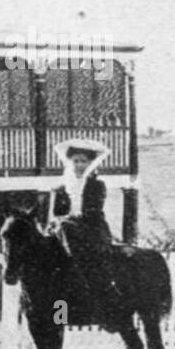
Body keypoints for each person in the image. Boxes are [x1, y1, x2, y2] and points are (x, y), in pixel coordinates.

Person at [49, 138, 119, 325]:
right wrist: (57, 221)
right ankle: (60, 316)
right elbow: (56, 213)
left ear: (90, 163)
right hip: (65, 232)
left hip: (91, 229)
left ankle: (106, 311)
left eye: (83, 161)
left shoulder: (97, 185)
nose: (79, 165)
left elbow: (94, 211)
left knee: (100, 267)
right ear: (69, 163)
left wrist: (71, 220)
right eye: (76, 161)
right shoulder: (60, 188)